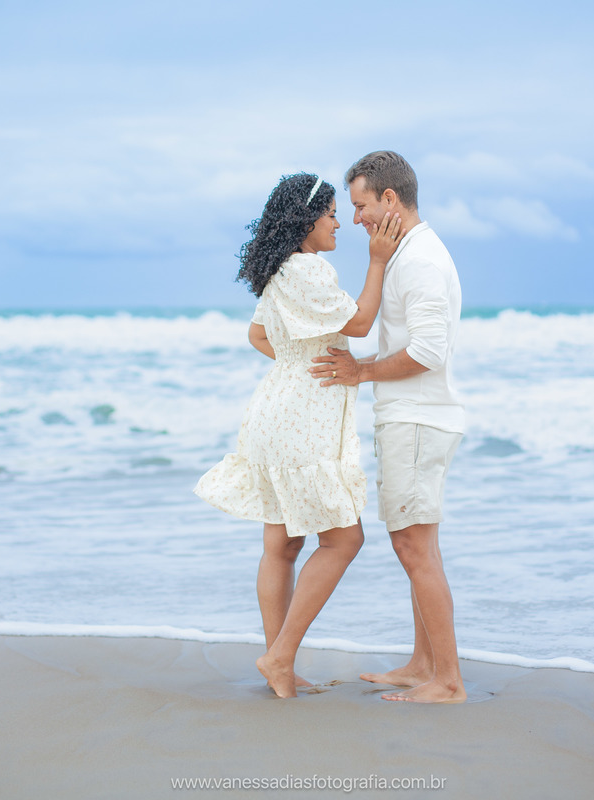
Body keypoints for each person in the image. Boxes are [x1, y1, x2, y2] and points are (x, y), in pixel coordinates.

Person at [194, 172, 403, 699]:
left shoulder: (279, 270)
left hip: (273, 412)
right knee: (344, 538)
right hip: (303, 421)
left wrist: (297, 361)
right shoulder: (309, 267)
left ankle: (278, 664)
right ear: (306, 220)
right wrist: (378, 261)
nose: (338, 222)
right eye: (331, 212)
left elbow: (257, 334)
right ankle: (281, 657)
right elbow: (357, 325)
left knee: (282, 544)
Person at [310, 151, 467, 704]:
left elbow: (427, 350)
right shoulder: (406, 253)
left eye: (361, 206)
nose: (355, 219)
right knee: (419, 545)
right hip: (414, 418)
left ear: (390, 200)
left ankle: (447, 681)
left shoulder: (420, 260)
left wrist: (362, 371)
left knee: (413, 547)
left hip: (419, 419)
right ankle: (424, 663)